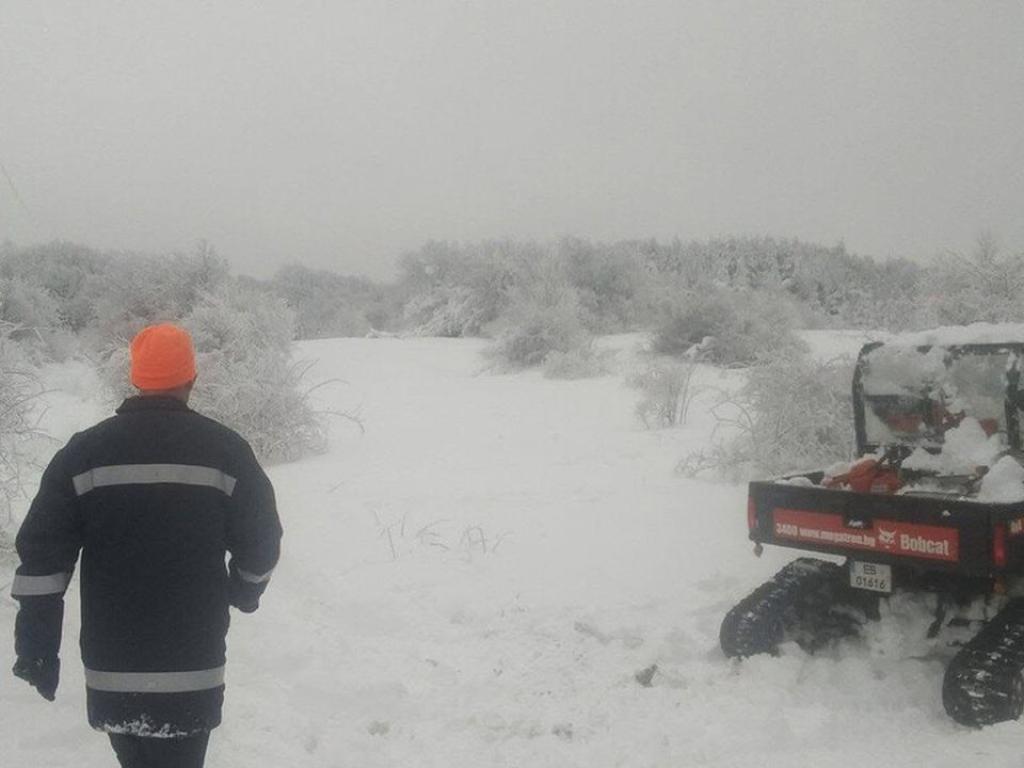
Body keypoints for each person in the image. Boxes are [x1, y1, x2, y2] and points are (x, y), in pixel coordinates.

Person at [10, 323, 283, 768]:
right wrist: (244, 591)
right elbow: (262, 540)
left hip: (112, 668)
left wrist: (37, 645)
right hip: (193, 664)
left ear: (136, 379)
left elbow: (43, 556)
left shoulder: (85, 453)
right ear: (191, 379)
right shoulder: (226, 451)